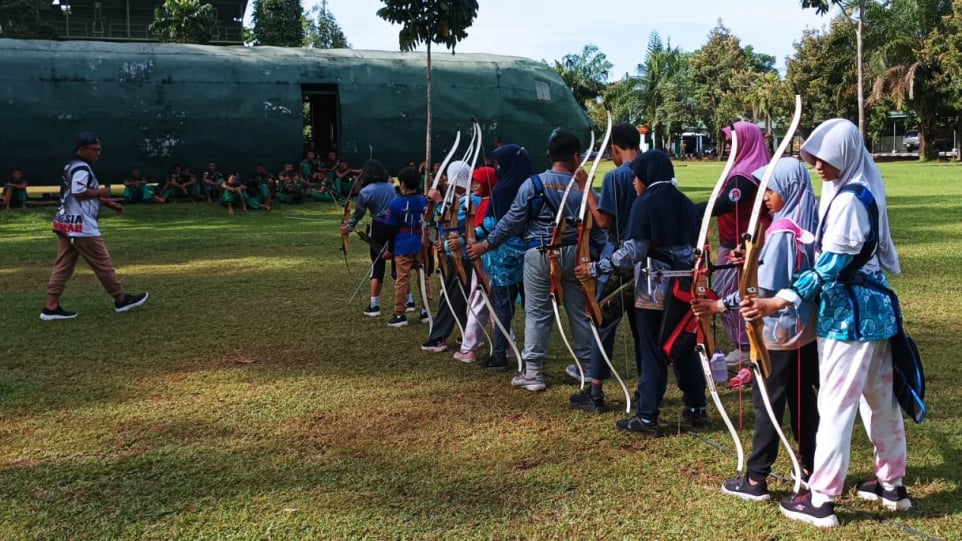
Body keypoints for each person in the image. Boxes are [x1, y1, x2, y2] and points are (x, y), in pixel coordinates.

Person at [742, 119, 908, 528]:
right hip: (871, 313)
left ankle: (821, 499)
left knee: (835, 405)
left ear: (847, 156)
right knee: (878, 401)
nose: (817, 165)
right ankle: (891, 485)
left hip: (850, 317)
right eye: (814, 157)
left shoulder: (852, 200)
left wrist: (779, 299)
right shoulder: (854, 188)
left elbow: (830, 266)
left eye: (826, 158)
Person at [691, 157, 820, 501]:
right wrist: (750, 259)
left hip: (776, 336)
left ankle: (755, 479)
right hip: (804, 333)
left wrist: (718, 305)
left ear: (789, 189)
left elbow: (759, 293)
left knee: (768, 403)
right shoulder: (809, 223)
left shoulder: (780, 233)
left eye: (771, 189)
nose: (765, 196)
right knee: (802, 400)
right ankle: (809, 468)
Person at [576, 150, 705, 434]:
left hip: (655, 287)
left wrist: (597, 268)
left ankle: (647, 415)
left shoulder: (645, 203)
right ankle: (697, 406)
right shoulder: (683, 201)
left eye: (636, 177)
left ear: (647, 176)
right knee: (682, 345)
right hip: (685, 285)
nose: (634, 183)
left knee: (652, 349)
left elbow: (633, 251)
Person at [467, 128, 605, 392]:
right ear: (576, 157)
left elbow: (511, 221)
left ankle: (534, 372)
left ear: (549, 154)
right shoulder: (584, 188)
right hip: (576, 255)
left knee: (538, 312)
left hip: (540, 253)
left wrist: (485, 244)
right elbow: (597, 227)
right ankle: (587, 368)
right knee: (578, 311)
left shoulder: (534, 183)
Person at [568, 123, 642, 412]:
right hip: (647, 260)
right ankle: (647, 390)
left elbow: (603, 221)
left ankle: (596, 392)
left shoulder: (616, 176)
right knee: (643, 329)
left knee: (602, 323)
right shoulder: (655, 169)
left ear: (614, 149)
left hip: (619, 258)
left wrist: (586, 188)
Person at [42, 132, 149, 320]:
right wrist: (103, 191)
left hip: (66, 223)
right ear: (82, 149)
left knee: (64, 265)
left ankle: (51, 307)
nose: (98, 153)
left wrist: (108, 202)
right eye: (95, 150)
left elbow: (75, 193)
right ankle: (121, 300)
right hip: (82, 226)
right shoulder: (81, 168)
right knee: (102, 263)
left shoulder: (72, 165)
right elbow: (78, 192)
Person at [700, 121, 771, 366]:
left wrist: (696, 211)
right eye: (728, 142)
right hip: (735, 244)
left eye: (734, 142)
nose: (729, 146)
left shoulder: (747, 174)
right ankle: (747, 345)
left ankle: (746, 346)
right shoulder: (745, 167)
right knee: (735, 294)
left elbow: (729, 202)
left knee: (730, 296)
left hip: (743, 247)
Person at [469, 148, 528, 371]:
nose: (497, 170)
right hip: (530, 254)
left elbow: (496, 225)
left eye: (500, 165)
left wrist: (477, 237)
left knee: (503, 306)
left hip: (505, 257)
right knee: (531, 308)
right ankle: (530, 356)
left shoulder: (502, 190)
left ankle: (499, 356)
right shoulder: (528, 186)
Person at [420, 160, 475, 353]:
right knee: (458, 294)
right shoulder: (454, 198)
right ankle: (469, 333)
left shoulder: (468, 199)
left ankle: (438, 337)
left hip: (461, 256)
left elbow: (455, 223)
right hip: (451, 254)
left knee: (451, 295)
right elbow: (432, 224)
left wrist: (438, 202)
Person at [340, 159, 397, 316]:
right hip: (394, 227)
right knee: (398, 264)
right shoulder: (391, 187)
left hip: (378, 227)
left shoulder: (366, 191)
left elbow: (358, 214)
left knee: (377, 264)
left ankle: (374, 305)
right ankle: (408, 300)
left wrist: (349, 227)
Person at [452, 166, 496, 362]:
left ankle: (469, 348)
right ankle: (507, 343)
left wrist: (461, 240)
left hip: (487, 259)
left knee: (479, 300)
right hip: (485, 257)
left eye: (479, 182)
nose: (475, 185)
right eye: (474, 182)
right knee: (494, 303)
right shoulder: (488, 201)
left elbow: (485, 229)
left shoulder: (491, 204)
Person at [384, 167, 432, 327]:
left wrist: (390, 250)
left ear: (402, 184)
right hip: (421, 243)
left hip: (402, 245)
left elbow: (391, 229)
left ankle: (400, 314)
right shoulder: (423, 201)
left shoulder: (396, 203)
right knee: (423, 277)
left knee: (402, 280)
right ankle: (426, 310)